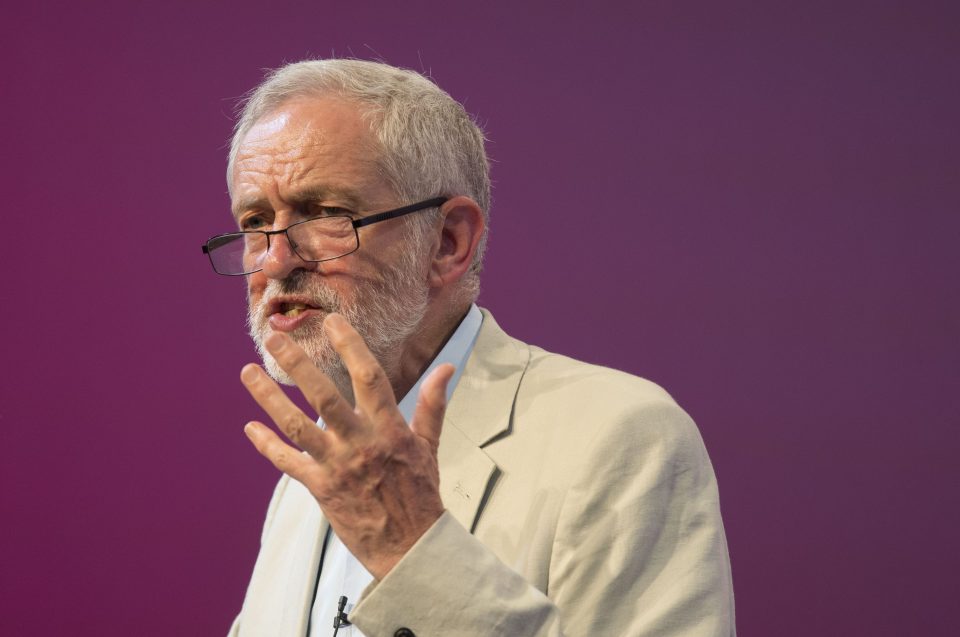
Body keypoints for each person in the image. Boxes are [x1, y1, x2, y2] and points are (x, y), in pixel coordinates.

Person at [204, 59, 735, 637]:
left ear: (448, 242)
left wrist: (412, 552)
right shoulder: (310, 481)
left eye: (327, 214)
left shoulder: (621, 437)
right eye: (255, 222)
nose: (276, 261)